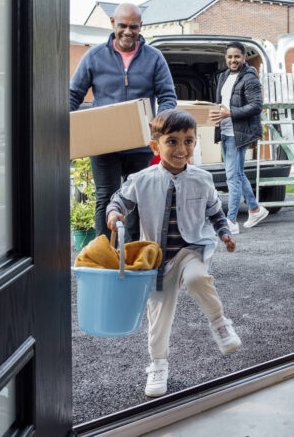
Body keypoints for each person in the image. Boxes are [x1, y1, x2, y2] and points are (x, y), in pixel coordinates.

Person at [106, 109, 241, 398]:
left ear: (195, 143)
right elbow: (119, 199)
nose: (182, 149)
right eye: (172, 142)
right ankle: (158, 365)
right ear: (155, 146)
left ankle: (219, 323)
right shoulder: (141, 179)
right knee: (159, 318)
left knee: (197, 280)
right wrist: (114, 213)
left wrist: (225, 233)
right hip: (156, 261)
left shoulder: (202, 179)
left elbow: (214, 212)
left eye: (189, 141)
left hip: (190, 251)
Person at [69, 2, 177, 239]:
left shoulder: (154, 58)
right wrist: (64, 126)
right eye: (123, 26)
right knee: (105, 197)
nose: (128, 31)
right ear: (112, 24)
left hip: (140, 143)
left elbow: (168, 96)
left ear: (141, 27)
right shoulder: (94, 56)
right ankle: (103, 256)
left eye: (134, 27)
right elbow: (73, 94)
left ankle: (131, 256)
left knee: (136, 198)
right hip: (103, 143)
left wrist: (159, 123)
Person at [210, 41, 267, 232]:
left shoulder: (250, 78)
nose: (233, 60)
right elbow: (222, 102)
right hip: (225, 131)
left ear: (243, 57)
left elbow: (256, 106)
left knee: (232, 177)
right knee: (238, 174)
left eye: (237, 56)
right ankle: (255, 209)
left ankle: (231, 221)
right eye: (229, 56)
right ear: (225, 58)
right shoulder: (224, 76)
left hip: (238, 133)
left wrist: (229, 113)